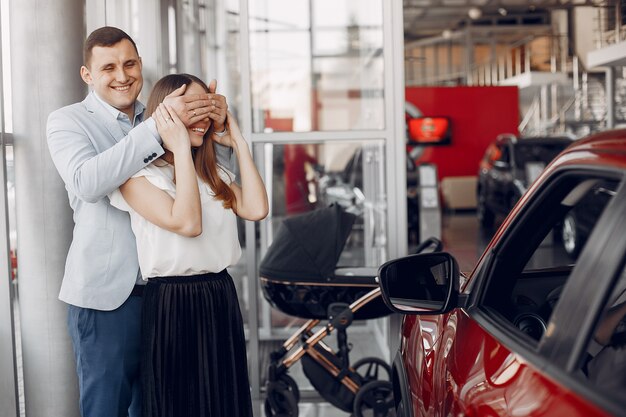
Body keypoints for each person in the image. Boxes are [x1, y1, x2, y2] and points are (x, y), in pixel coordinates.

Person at [46, 26, 229, 417]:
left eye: (129, 63)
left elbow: (204, 184)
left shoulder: (165, 113)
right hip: (108, 300)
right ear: (87, 75)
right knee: (105, 409)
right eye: (108, 67)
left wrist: (213, 121)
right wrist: (157, 128)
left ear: (141, 65)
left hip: (166, 299)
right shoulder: (68, 121)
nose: (122, 75)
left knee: (161, 407)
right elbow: (86, 183)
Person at [108, 73, 268, 417]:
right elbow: (188, 223)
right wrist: (179, 146)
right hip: (171, 302)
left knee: (222, 400)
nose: (203, 120)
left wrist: (237, 140)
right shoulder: (137, 178)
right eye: (192, 109)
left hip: (218, 295)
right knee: (179, 403)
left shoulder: (212, 174)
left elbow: (257, 209)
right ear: (166, 115)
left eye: (207, 110)